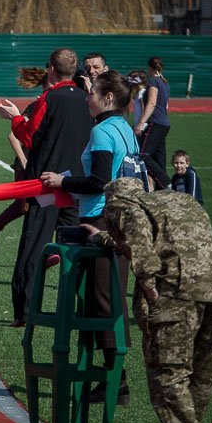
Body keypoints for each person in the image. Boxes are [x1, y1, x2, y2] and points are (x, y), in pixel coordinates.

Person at [83, 178, 212, 423]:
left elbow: (140, 245)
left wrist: (149, 288)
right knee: (201, 371)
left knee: (167, 371)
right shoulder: (178, 201)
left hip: (177, 289)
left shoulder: (123, 205)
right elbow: (156, 239)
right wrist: (102, 238)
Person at [41, 70, 140, 404]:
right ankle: (111, 377)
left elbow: (98, 182)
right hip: (123, 218)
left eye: (93, 92)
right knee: (109, 296)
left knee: (103, 299)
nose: (88, 98)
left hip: (102, 220)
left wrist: (62, 182)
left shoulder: (101, 131)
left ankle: (117, 381)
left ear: (108, 98)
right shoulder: (125, 129)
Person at [0, 48, 90, 328]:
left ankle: (24, 312)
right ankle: (75, 310)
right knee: (73, 250)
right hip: (76, 183)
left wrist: (15, 117)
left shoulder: (49, 99)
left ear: (51, 69)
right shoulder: (87, 99)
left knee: (33, 246)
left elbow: (29, 136)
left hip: (48, 185)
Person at [0, 66, 45, 253]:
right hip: (25, 165)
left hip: (42, 165)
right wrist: (24, 162)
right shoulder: (36, 106)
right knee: (23, 207)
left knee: (43, 207)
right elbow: (13, 136)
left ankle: (43, 251)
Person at [136, 56, 171, 190]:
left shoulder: (153, 81)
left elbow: (151, 103)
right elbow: (166, 105)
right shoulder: (165, 83)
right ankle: (163, 190)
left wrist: (141, 123)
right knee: (159, 157)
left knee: (143, 155)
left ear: (150, 68)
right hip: (164, 123)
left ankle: (166, 182)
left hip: (155, 122)